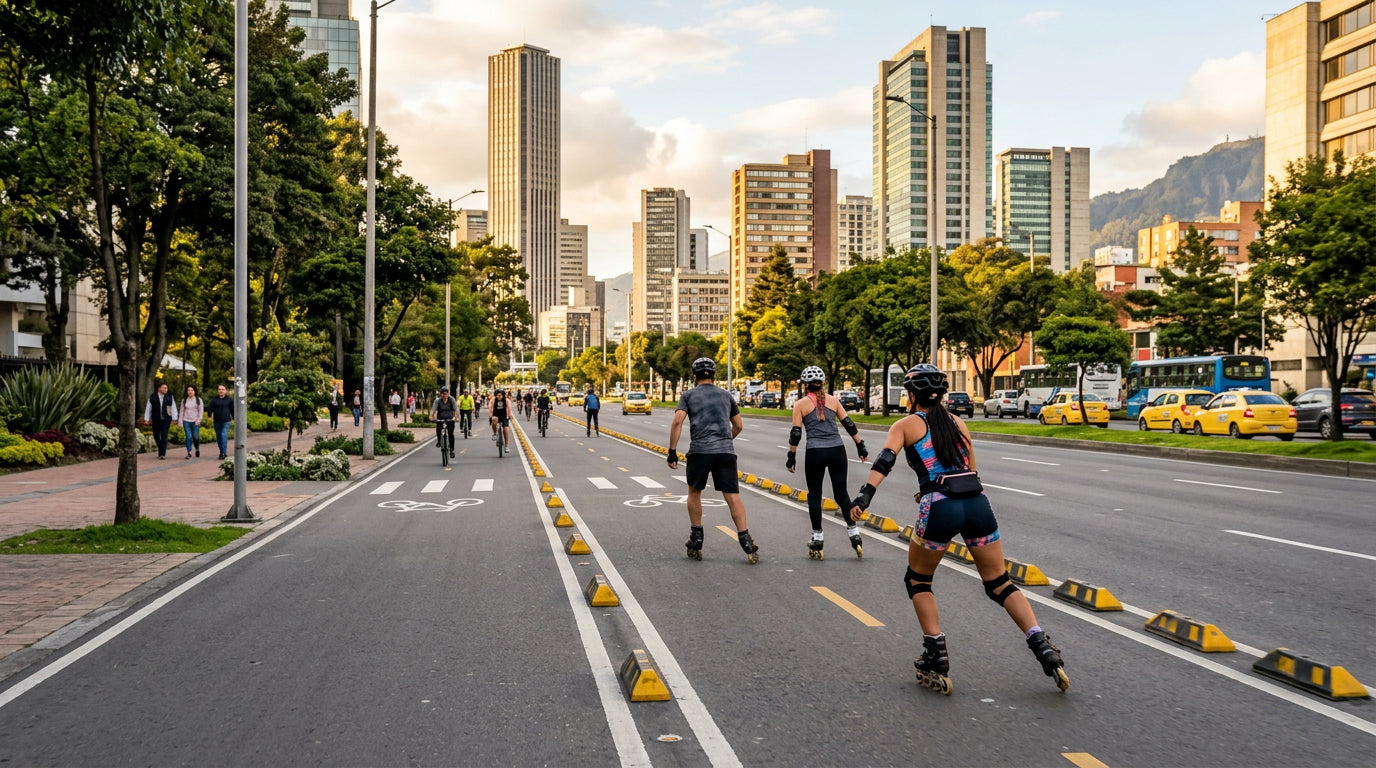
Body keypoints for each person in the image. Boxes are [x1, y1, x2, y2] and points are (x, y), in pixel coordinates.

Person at [849, 364, 1068, 694]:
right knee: (999, 583)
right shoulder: (958, 423)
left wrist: (864, 497)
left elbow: (885, 461)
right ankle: (1042, 645)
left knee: (918, 579)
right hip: (977, 503)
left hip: (941, 507)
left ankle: (935, 654)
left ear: (911, 395)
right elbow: (970, 470)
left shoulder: (906, 424)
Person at [667, 357, 759, 564]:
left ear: (694, 376)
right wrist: (725, 441)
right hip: (725, 452)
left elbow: (677, 422)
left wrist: (672, 451)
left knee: (694, 492)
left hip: (699, 451)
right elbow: (738, 425)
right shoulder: (726, 396)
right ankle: (745, 538)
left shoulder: (688, 396)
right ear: (714, 376)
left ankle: (696, 537)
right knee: (733, 496)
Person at [786, 366, 869, 560]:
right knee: (842, 495)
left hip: (815, 452)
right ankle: (854, 535)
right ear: (822, 384)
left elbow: (796, 433)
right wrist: (860, 445)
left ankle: (818, 538)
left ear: (806, 385)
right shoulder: (834, 400)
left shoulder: (800, 404)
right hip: (837, 451)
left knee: (815, 496)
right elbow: (849, 424)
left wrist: (791, 456)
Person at [143, 382, 178, 460]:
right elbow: (148, 408)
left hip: (166, 419)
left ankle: (162, 454)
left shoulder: (170, 397)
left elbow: (173, 407)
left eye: (166, 388)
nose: (166, 389)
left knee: (164, 436)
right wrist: (147, 419)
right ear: (159, 388)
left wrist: (174, 418)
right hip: (156, 420)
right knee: (156, 435)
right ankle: (161, 447)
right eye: (164, 388)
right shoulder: (153, 397)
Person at [208, 384, 234, 460]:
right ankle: (222, 452)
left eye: (222, 389)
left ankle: (223, 453)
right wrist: (209, 416)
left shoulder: (229, 400)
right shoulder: (214, 400)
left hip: (226, 421)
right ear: (218, 391)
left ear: (225, 391)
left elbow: (232, 410)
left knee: (224, 436)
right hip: (217, 422)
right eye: (219, 389)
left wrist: (234, 418)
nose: (221, 391)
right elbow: (210, 409)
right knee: (219, 438)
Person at [431, 386, 457, 459]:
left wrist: (456, 417)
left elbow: (455, 409)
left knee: (451, 433)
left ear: (448, 393)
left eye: (445, 393)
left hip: (450, 419)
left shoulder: (452, 400)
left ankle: (452, 449)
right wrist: (431, 416)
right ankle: (439, 441)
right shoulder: (437, 401)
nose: (444, 395)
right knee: (438, 429)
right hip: (440, 418)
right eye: (442, 393)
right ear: (440, 394)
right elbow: (433, 409)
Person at [180, 385, 204, 459]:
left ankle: (197, 448)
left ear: (195, 391)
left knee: (195, 437)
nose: (190, 392)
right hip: (186, 420)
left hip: (195, 421)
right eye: (188, 390)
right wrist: (180, 421)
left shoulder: (198, 400)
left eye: (192, 390)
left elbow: (201, 411)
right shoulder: (184, 400)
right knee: (188, 437)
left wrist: (199, 419)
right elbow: (181, 411)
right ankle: (189, 452)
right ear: (186, 392)